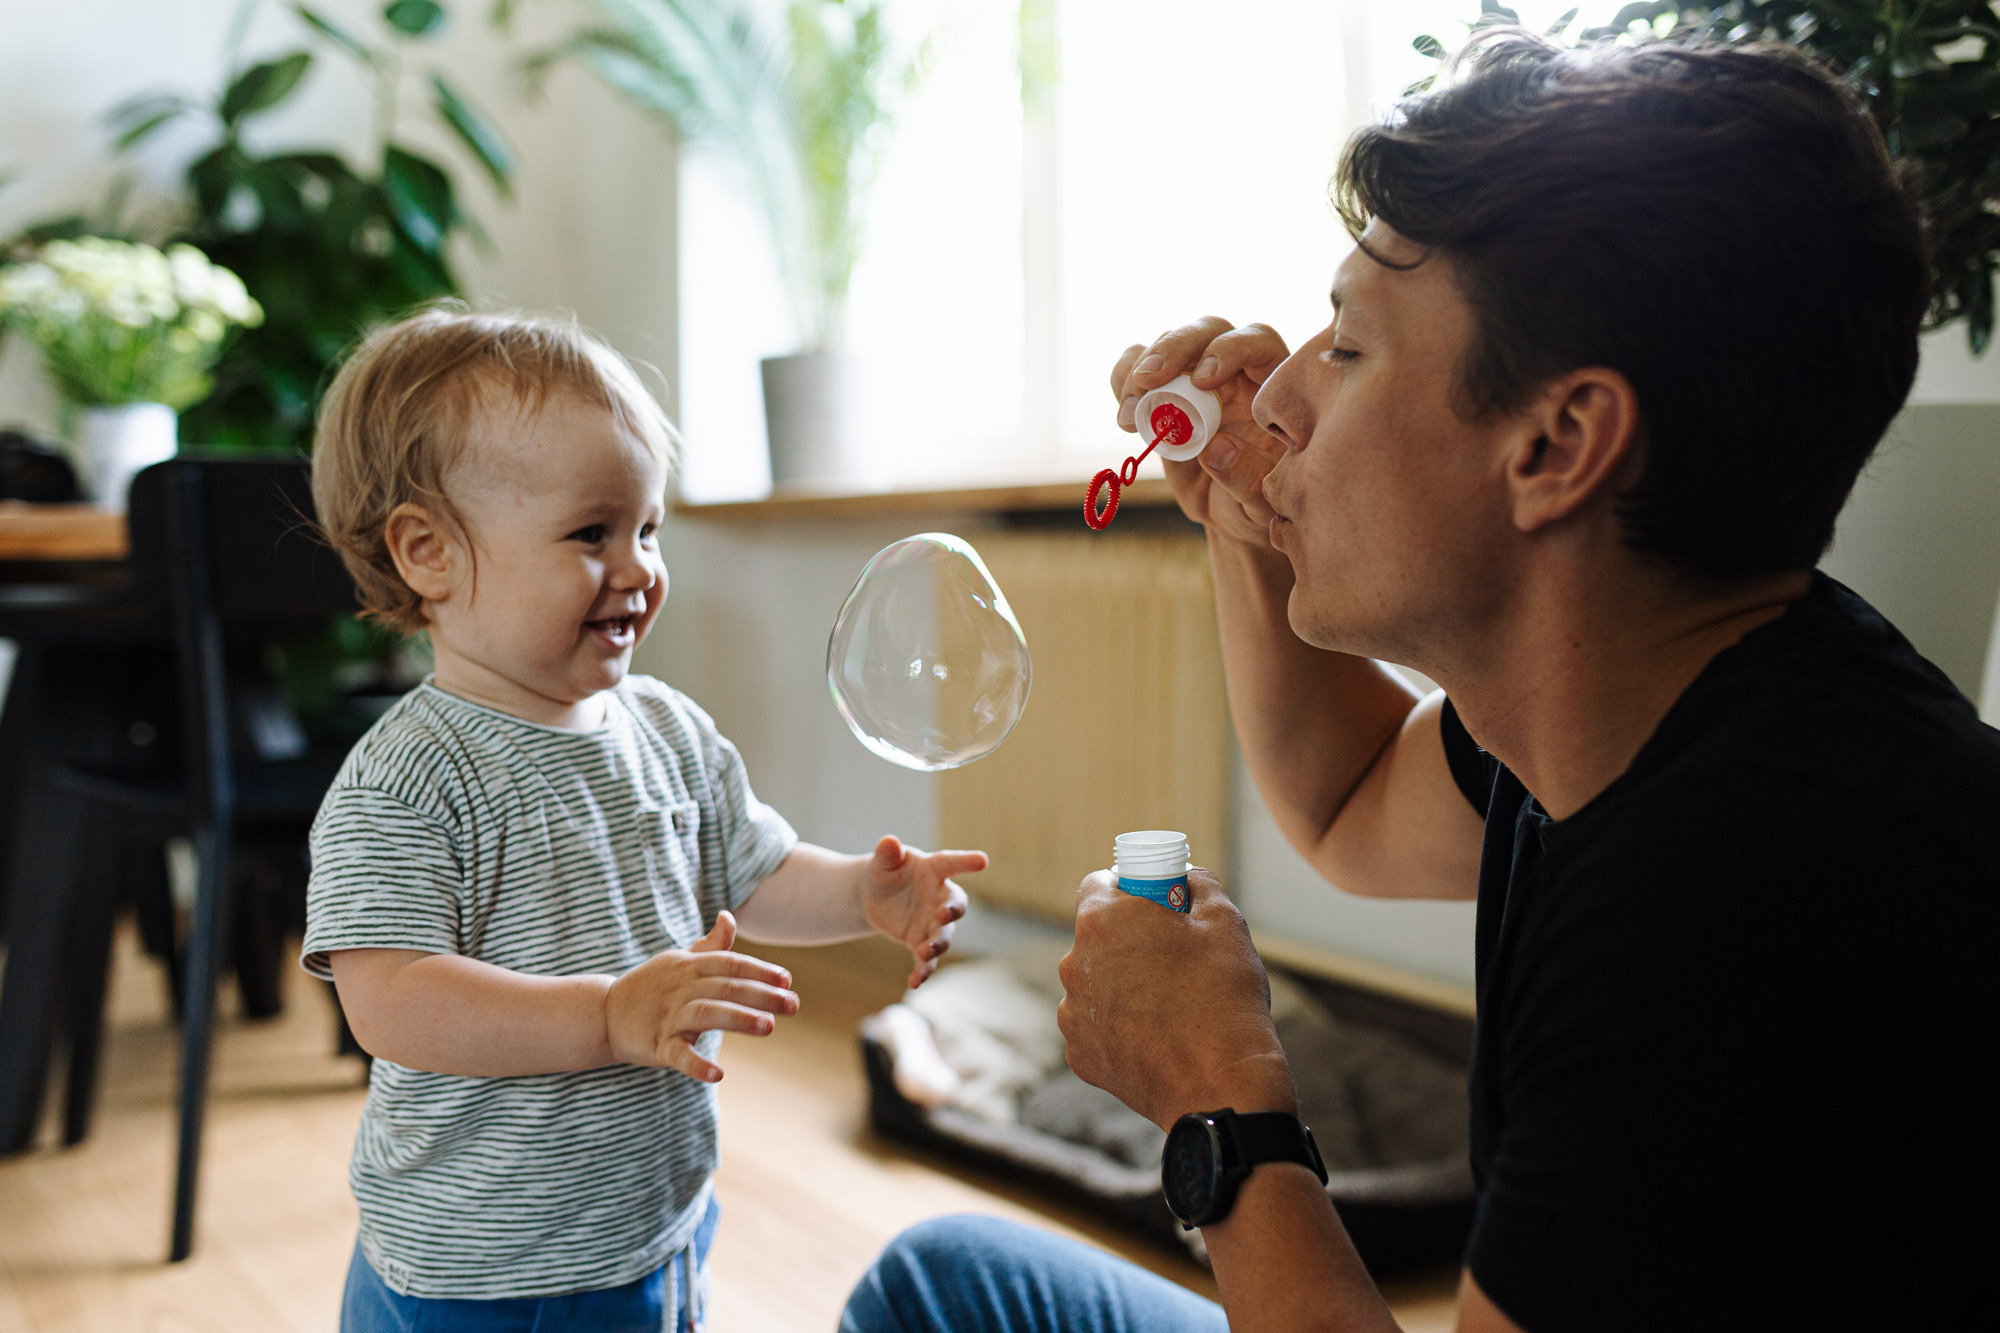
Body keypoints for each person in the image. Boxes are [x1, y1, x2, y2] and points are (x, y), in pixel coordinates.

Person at [842, 30, 2000, 1333]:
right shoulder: (1654, 700)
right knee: (948, 1280)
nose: (1278, 391)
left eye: (1349, 344)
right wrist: (1245, 501)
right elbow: (1339, 801)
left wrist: (1222, 1114)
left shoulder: (1743, 911)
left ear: (1557, 444)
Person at [300, 308, 986, 1333]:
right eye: (591, 533)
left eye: (647, 528)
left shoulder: (664, 724)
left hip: (649, 1219)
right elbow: (390, 999)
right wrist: (605, 1015)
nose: (638, 567)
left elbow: (750, 872)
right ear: (428, 552)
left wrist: (857, 890)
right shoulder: (406, 779)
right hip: (482, 1268)